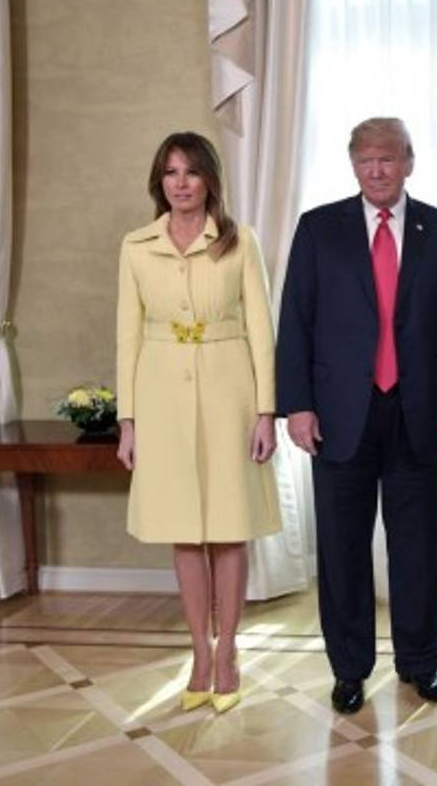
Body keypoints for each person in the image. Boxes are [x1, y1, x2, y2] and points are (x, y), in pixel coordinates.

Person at [277, 117, 437, 715]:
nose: (377, 170)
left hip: (418, 414)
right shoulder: (319, 229)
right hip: (340, 416)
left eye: (388, 158)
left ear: (409, 162)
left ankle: (420, 665)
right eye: (365, 159)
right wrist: (298, 404)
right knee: (342, 550)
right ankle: (349, 669)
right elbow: (295, 323)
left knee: (419, 548)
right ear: (353, 165)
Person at [116, 131, 282, 714]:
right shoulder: (137, 246)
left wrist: (266, 412)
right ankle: (200, 653)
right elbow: (128, 335)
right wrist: (128, 421)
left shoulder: (240, 242)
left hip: (229, 388)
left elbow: (263, 331)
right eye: (170, 172)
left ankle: (231, 650)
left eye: (190, 172)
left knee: (229, 526)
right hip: (160, 393)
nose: (180, 183)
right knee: (184, 529)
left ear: (210, 178)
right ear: (159, 182)